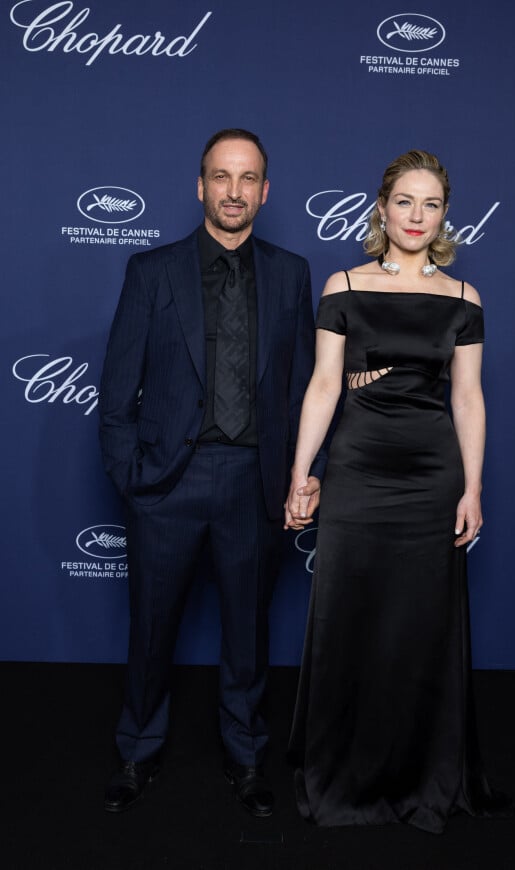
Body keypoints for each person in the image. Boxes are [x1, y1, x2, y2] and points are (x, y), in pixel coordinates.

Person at [99, 128, 324, 816]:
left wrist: (297, 477)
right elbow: (115, 397)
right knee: (150, 630)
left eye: (248, 178)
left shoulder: (291, 273)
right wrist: (137, 483)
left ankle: (248, 758)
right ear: (200, 186)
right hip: (167, 483)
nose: (234, 191)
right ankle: (138, 751)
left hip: (253, 483)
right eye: (221, 177)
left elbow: (301, 389)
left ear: (265, 190)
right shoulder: (151, 270)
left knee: (247, 635)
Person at [284, 150, 510, 833]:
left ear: (445, 215)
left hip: (431, 475)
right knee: (351, 617)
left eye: (431, 203)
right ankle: (345, 777)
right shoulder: (343, 284)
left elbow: (468, 398)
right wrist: (303, 473)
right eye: (405, 201)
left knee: (420, 628)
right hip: (356, 469)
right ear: (381, 209)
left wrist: (472, 487)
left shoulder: (464, 299)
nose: (417, 216)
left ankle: (422, 777)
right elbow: (325, 385)